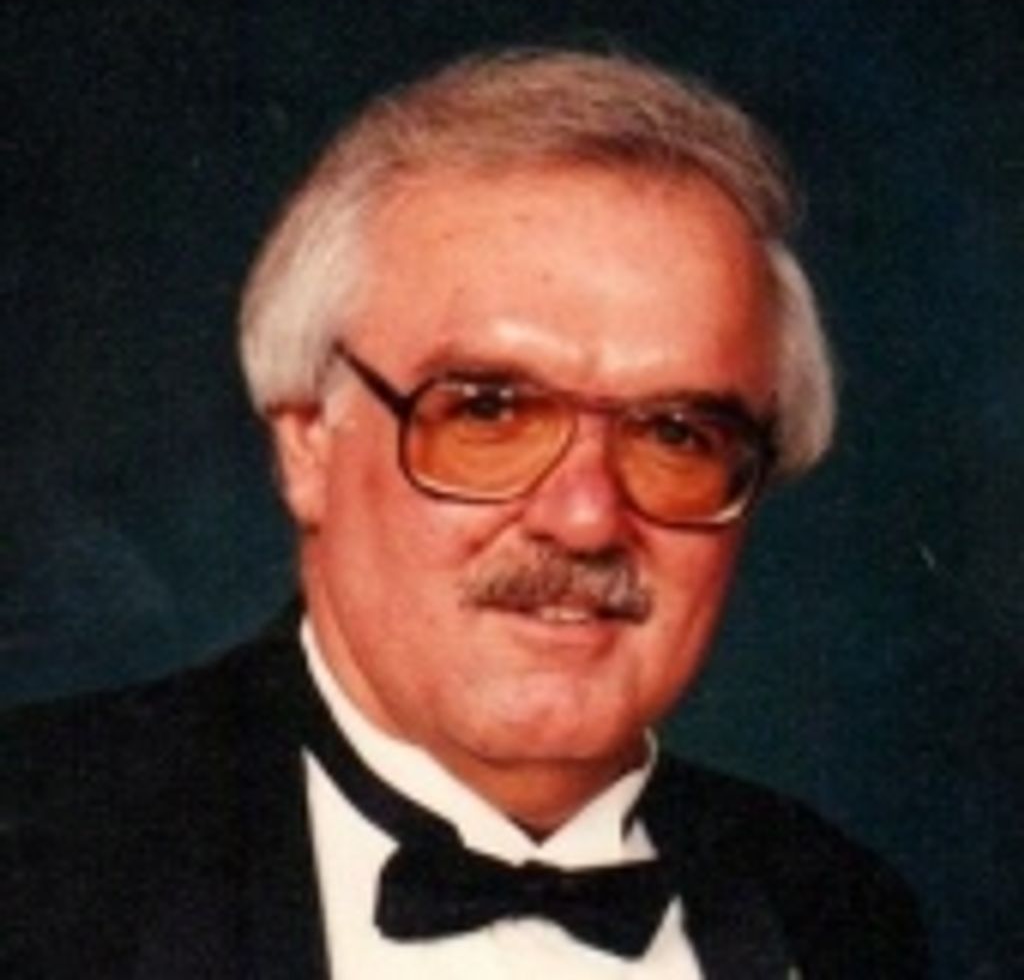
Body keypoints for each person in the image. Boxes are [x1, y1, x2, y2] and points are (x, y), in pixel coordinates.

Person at [3, 48, 927, 978]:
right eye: (490, 413)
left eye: (676, 434)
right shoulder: (35, 853)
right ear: (308, 444)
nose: (585, 518)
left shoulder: (838, 914)